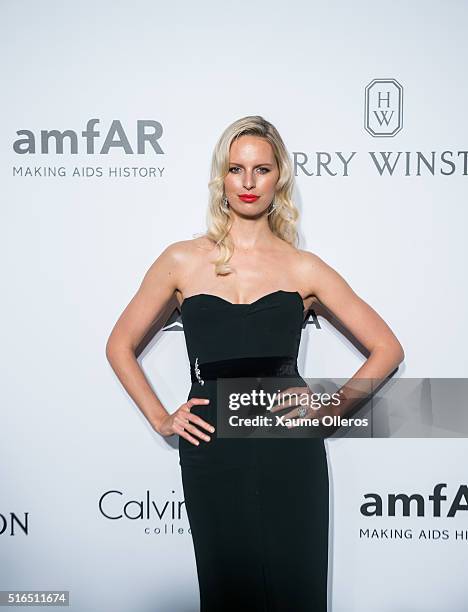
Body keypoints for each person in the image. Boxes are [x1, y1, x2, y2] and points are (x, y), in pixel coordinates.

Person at [105, 115, 405, 611]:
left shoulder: (302, 267)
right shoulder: (181, 260)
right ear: (221, 176)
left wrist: (332, 408)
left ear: (278, 178)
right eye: (236, 168)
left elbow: (386, 348)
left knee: (295, 583)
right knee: (226, 588)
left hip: (288, 446)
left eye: (261, 169)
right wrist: (161, 417)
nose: (248, 182)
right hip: (213, 446)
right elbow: (120, 344)